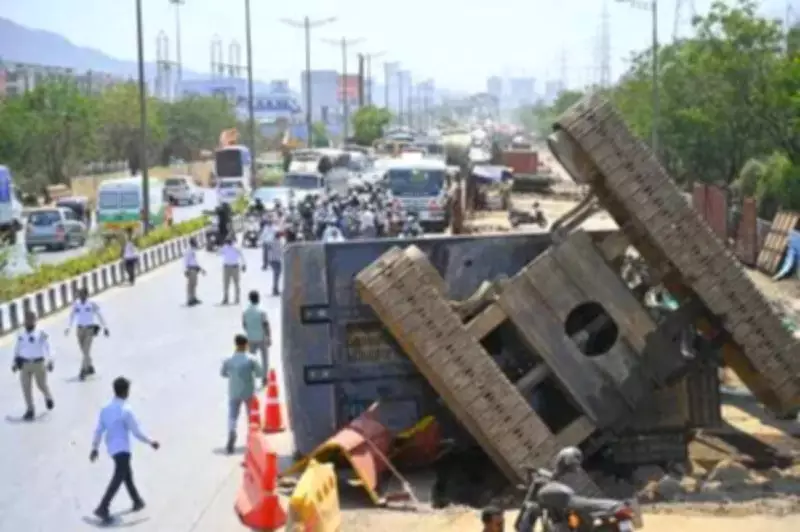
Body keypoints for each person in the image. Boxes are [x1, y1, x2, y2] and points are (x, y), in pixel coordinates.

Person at [90, 377, 159, 525]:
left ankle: (137, 500)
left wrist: (94, 448)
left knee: (127, 474)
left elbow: (98, 430)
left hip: (112, 448)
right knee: (120, 475)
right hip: (123, 448)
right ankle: (103, 507)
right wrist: (151, 441)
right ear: (125, 391)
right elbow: (137, 431)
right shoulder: (126, 410)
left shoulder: (105, 408)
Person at [221, 334, 263, 454]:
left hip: (234, 391)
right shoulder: (251, 359)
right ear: (246, 345)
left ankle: (232, 432)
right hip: (248, 391)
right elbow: (260, 373)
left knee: (232, 415)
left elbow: (223, 373)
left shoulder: (228, 359)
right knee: (251, 415)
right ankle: (253, 439)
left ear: (235, 344)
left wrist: (233, 375)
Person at [12, 311, 55, 421]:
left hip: (38, 363)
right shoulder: (20, 333)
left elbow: (49, 347)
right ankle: (30, 409)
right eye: (27, 319)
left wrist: (51, 360)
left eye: (31, 319)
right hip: (24, 364)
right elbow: (17, 348)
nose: (28, 321)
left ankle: (48, 396)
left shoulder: (41, 333)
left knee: (41, 384)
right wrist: (14, 362)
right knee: (26, 387)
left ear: (35, 320)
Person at [65, 287, 109, 381]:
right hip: (79, 329)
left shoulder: (92, 304)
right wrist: (68, 327)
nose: (80, 296)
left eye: (82, 294)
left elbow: (99, 315)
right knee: (84, 351)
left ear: (86, 294)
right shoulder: (76, 304)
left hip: (89, 329)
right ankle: (90, 366)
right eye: (79, 294)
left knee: (86, 350)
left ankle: (82, 370)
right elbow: (72, 316)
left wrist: (105, 327)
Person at [242, 291, 271, 371]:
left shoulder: (245, 312)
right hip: (261, 337)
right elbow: (266, 325)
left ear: (249, 299)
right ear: (258, 299)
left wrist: (249, 331)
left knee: (251, 359)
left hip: (250, 338)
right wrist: (268, 337)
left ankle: (251, 374)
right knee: (265, 359)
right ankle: (265, 375)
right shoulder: (262, 311)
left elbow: (244, 325)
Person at [220, 237, 246, 305]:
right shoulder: (225, 247)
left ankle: (237, 299)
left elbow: (242, 256)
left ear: (232, 241)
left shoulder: (236, 247)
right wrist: (221, 247)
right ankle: (225, 299)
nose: (228, 243)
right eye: (227, 242)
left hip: (235, 267)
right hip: (226, 267)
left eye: (229, 241)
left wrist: (244, 264)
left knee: (236, 283)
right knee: (226, 284)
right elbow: (218, 253)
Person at [184, 237, 205, 306]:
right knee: (190, 285)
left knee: (194, 284)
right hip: (190, 269)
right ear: (192, 243)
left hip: (195, 269)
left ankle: (194, 298)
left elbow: (196, 261)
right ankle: (189, 299)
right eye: (195, 241)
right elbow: (186, 261)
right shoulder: (188, 250)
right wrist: (186, 270)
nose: (196, 242)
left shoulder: (194, 250)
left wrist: (201, 269)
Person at [267, 228, 284, 296]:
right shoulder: (278, 242)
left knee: (276, 275)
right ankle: (275, 290)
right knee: (277, 275)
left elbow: (269, 250)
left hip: (272, 260)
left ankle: (275, 289)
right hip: (276, 260)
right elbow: (281, 251)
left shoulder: (271, 241)